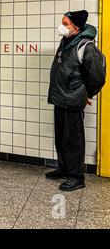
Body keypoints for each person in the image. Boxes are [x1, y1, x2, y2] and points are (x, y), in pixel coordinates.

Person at [47, 10, 102, 191]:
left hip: (72, 100)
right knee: (62, 138)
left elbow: (97, 76)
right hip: (60, 98)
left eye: (66, 23)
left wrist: (87, 94)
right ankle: (64, 169)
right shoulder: (67, 42)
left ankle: (76, 176)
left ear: (76, 28)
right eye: (62, 22)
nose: (61, 26)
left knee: (73, 140)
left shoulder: (86, 46)